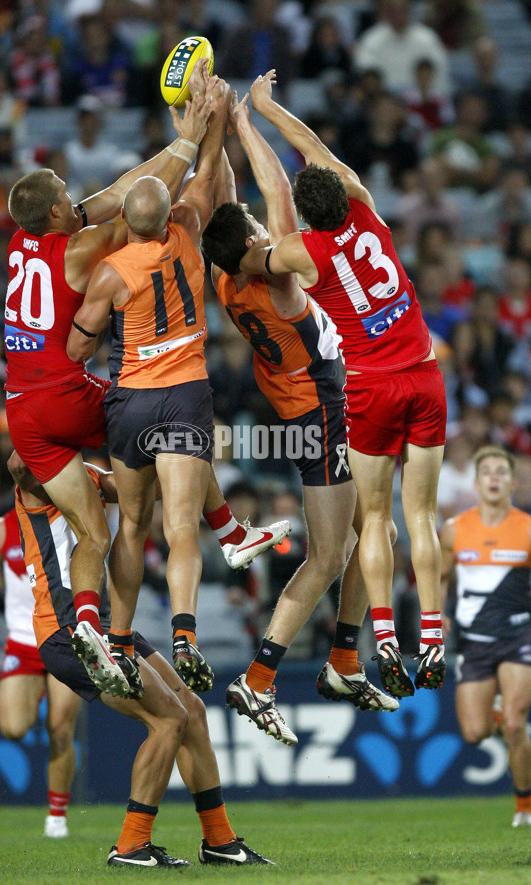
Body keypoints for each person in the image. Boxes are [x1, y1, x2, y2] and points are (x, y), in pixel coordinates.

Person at [240, 70, 447, 699]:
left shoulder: (305, 253)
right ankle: (432, 637)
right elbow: (316, 153)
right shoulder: (364, 204)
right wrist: (271, 109)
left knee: (377, 517)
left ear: (308, 214)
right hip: (425, 375)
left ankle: (382, 637)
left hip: (373, 389)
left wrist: (242, 126)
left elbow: (259, 251)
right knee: (423, 517)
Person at [200, 87, 398, 746]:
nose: (263, 224)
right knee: (329, 555)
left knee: (370, 535)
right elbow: (277, 190)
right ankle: (260, 677)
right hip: (326, 411)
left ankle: (344, 659)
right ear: (256, 246)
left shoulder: (226, 277)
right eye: (258, 231)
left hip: (310, 409)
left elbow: (226, 203)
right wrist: (250, 122)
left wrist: (215, 127)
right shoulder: (278, 279)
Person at [4, 90, 212, 702]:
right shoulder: (79, 249)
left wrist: (174, 147)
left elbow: (115, 191)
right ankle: (225, 526)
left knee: (93, 533)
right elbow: (133, 207)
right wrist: (191, 141)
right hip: (69, 393)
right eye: (68, 199)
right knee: (174, 414)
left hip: (22, 413)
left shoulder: (25, 244)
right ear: (54, 215)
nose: (76, 202)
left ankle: (89, 623)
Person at [66, 75, 256, 693]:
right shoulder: (191, 233)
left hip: (131, 400)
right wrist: (209, 122)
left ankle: (119, 642)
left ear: (126, 219)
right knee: (181, 528)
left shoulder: (111, 272)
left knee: (132, 527)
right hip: (185, 394)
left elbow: (77, 345)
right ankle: (183, 634)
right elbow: (203, 181)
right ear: (168, 214)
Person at [8, 450, 271, 867]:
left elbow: (149, 486)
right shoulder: (41, 478)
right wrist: (54, 418)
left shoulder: (89, 476)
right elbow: (18, 464)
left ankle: (219, 841)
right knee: (168, 720)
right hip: (68, 631)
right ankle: (131, 845)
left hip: (111, 625)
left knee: (192, 711)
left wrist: (185, 457)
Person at [0, 509, 82, 838]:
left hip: (65, 637)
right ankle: (34, 690)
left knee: (61, 727)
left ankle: (57, 816)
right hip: (23, 642)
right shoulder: (2, 529)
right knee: (12, 728)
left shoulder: (72, 516)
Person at [440, 446, 531, 828]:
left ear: (512, 481)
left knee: (514, 723)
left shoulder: (527, 527)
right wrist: (440, 614)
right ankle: (495, 714)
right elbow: (442, 577)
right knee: (475, 733)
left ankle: (524, 806)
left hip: (518, 633)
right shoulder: (454, 530)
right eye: (487, 472)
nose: (494, 478)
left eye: (501, 472)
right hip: (473, 639)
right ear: (476, 483)